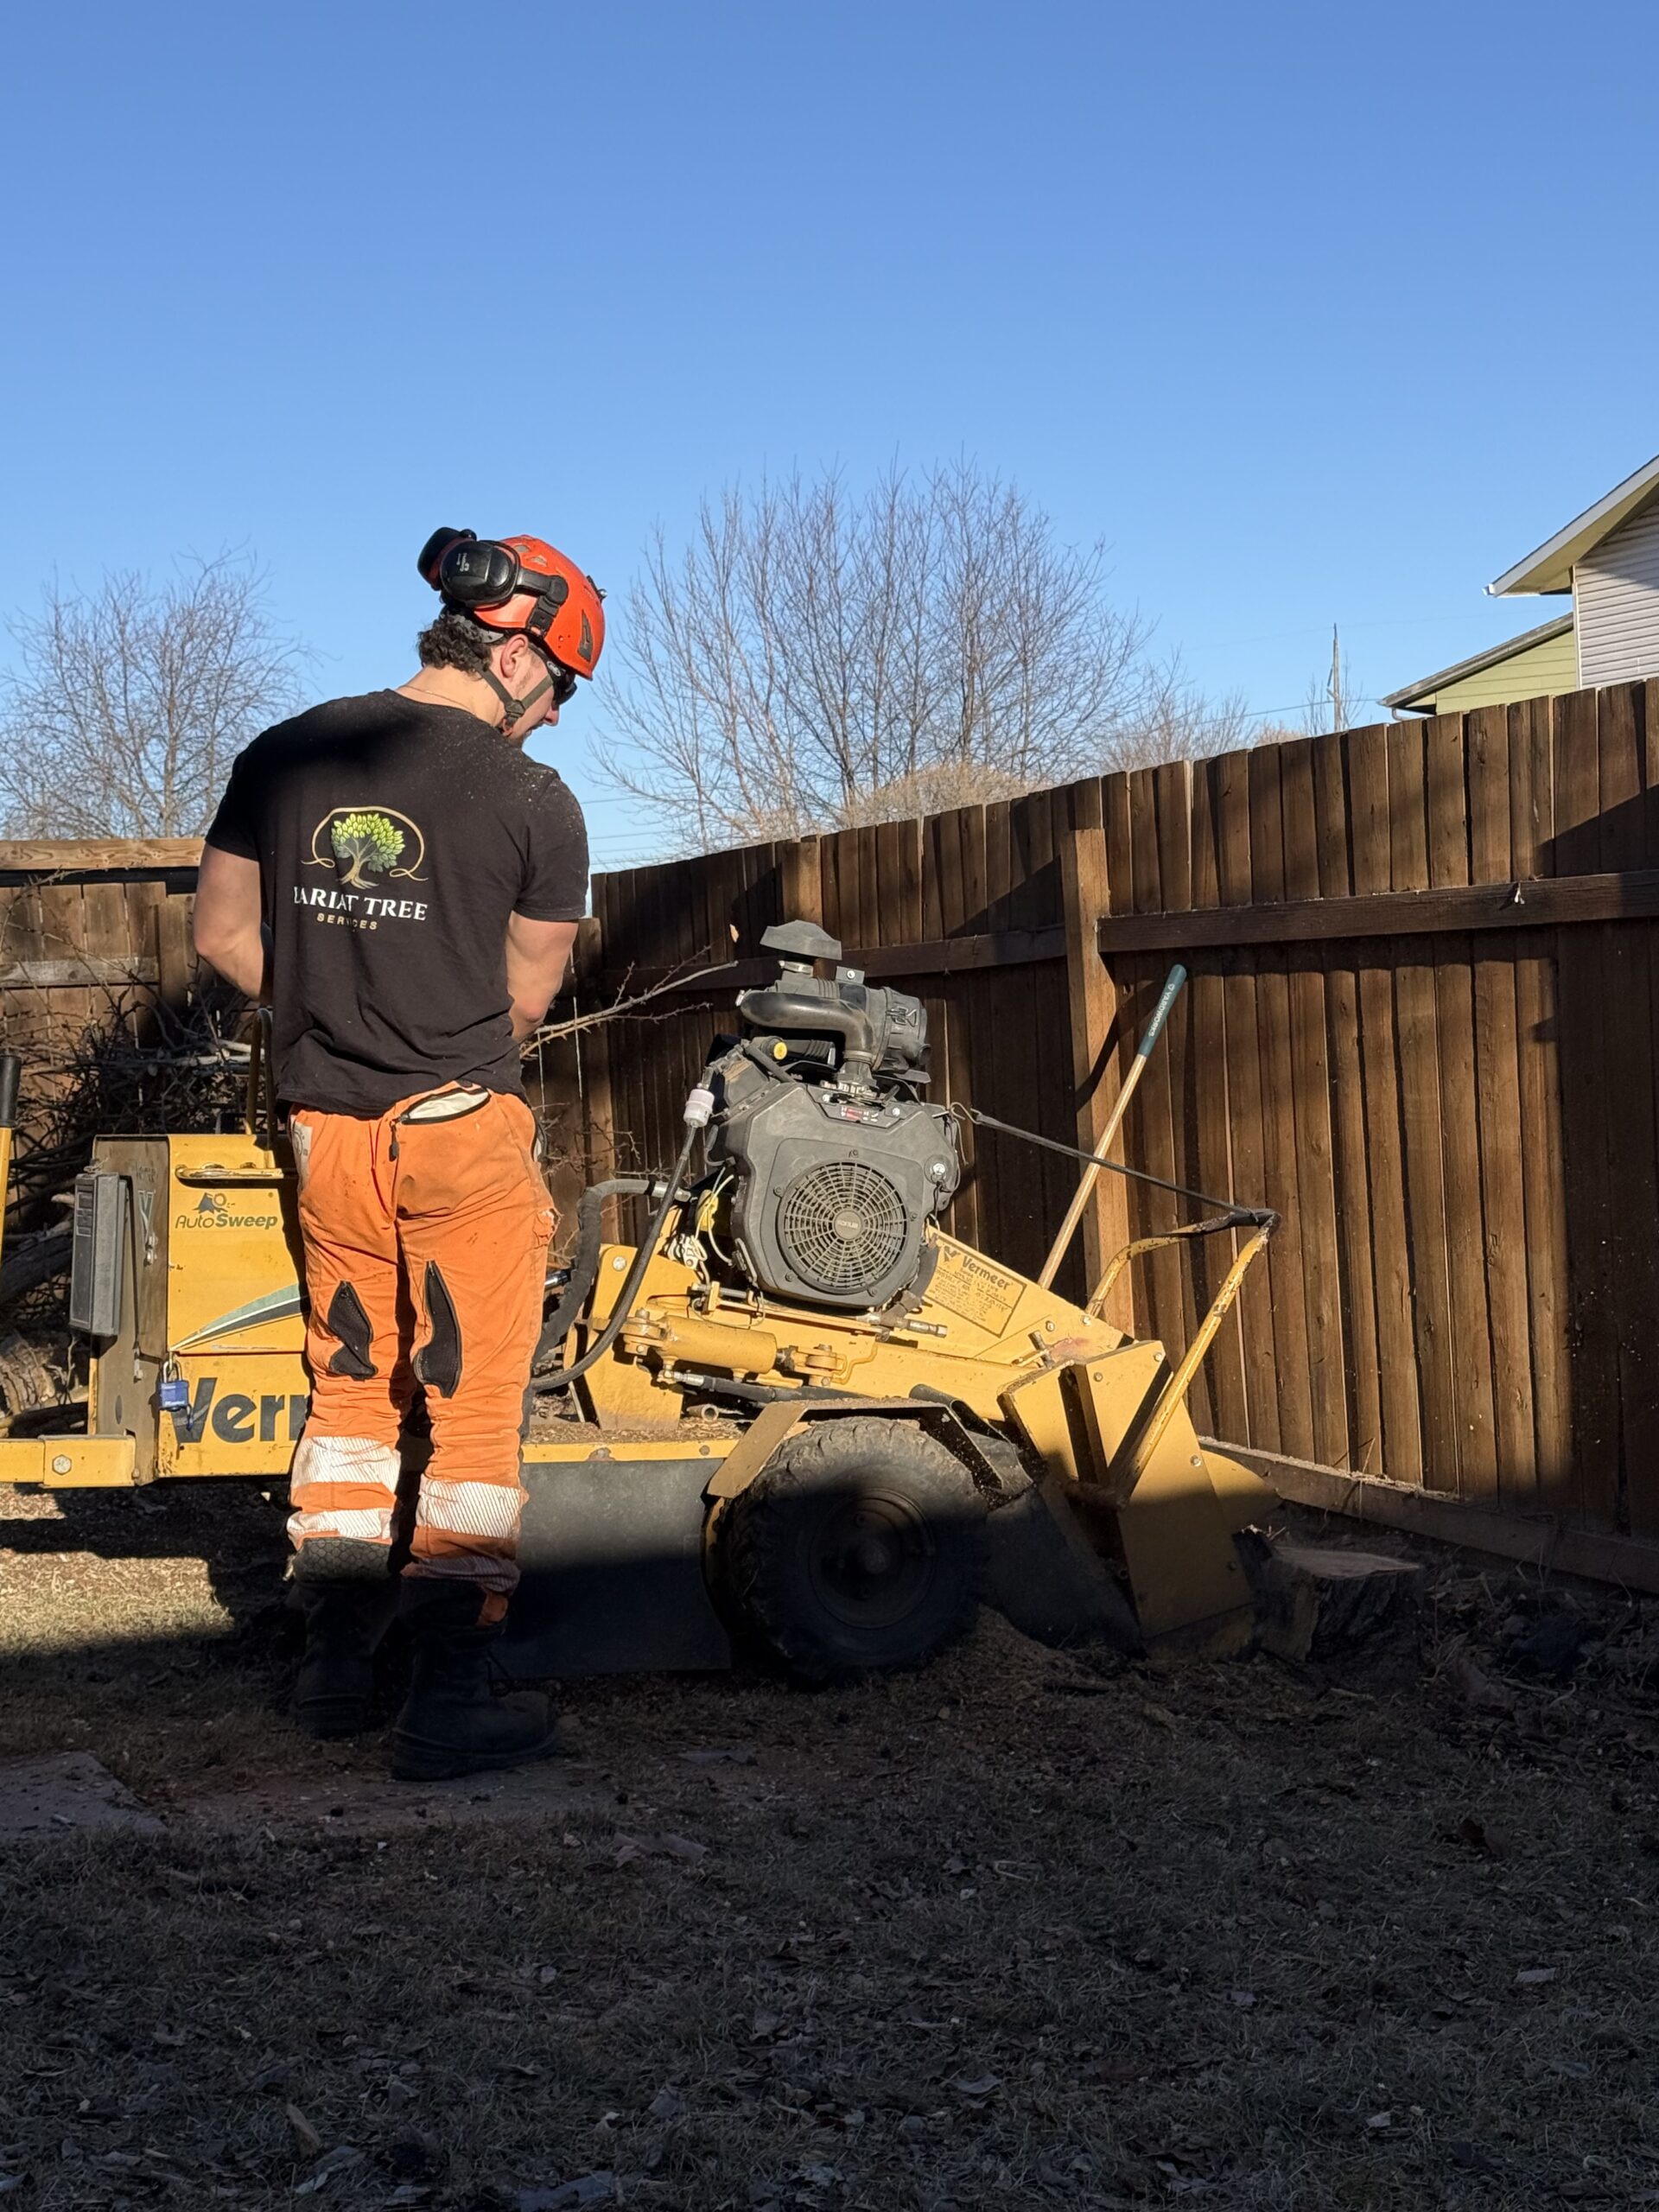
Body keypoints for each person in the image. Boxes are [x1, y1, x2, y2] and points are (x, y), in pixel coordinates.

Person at [193, 528, 603, 1780]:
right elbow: (522, 1002)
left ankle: (332, 1665)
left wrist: (326, 1011)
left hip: (326, 1139)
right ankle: (451, 1695)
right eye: (563, 694)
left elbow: (220, 936)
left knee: (353, 1397)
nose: (552, 721)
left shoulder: (291, 752)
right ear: (526, 655)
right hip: (456, 1134)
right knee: (472, 1413)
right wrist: (424, 1024)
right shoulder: (538, 804)